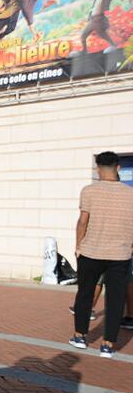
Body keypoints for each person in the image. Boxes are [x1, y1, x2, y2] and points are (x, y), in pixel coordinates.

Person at [70, 151, 133, 358]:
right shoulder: (130, 193)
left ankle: (80, 336)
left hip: (90, 252)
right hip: (120, 255)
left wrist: (78, 246)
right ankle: (107, 345)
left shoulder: (89, 191)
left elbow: (83, 221)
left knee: (85, 294)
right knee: (115, 300)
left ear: (98, 169)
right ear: (118, 168)